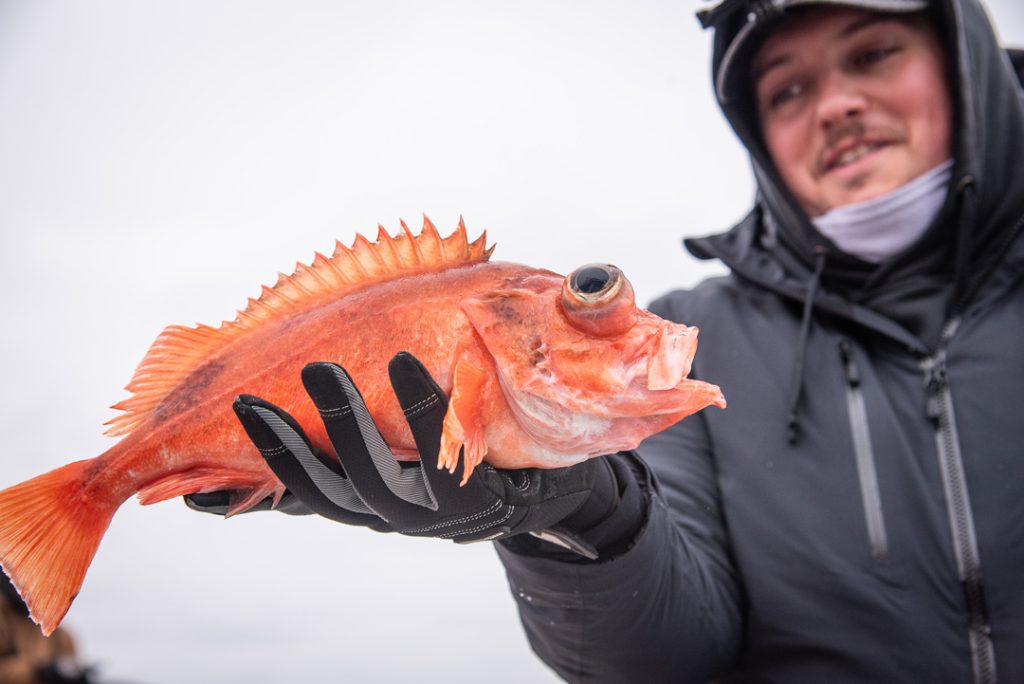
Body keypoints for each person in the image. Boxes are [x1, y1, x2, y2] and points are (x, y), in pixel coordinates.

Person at [187, 0, 1024, 680]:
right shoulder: (709, 334)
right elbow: (667, 658)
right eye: (786, 90)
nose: (835, 103)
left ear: (965, 64)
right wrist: (585, 517)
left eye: (874, 52)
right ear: (759, 133)